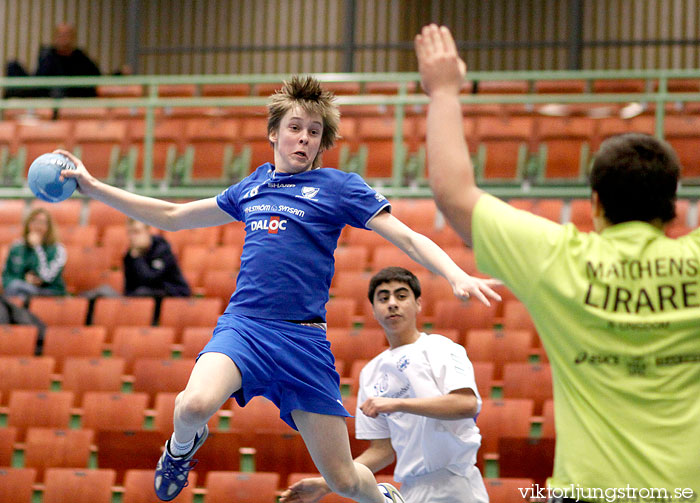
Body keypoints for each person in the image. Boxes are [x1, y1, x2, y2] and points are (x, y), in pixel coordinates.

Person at [57, 74, 500, 503]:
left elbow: (405, 236)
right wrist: (93, 187)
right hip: (245, 328)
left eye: (313, 131)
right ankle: (179, 450)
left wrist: (454, 272)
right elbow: (173, 216)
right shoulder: (253, 185)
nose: (304, 138)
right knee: (192, 405)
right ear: (273, 133)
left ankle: (383, 498)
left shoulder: (339, 187)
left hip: (303, 341)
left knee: (344, 479)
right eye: (295, 128)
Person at [415, 24, 700, 503]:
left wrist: (443, 92)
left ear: (595, 203)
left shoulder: (559, 258)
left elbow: (453, 194)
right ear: (674, 205)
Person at [281, 267, 488, 503]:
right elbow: (383, 451)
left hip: (456, 483)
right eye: (383, 298)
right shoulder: (370, 373)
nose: (392, 304)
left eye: (401, 296)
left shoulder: (442, 348)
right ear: (373, 310)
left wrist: (397, 403)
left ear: (418, 303)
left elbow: (466, 404)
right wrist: (326, 482)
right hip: (411, 489)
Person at [4, 23, 100, 99]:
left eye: (66, 35)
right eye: (60, 35)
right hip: (40, 90)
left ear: (73, 38)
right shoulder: (48, 54)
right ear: (55, 37)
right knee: (12, 66)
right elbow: (39, 77)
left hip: (66, 94)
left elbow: (95, 78)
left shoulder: (81, 58)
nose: (63, 38)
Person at [2, 208, 67, 299]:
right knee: (16, 289)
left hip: (48, 293)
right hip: (21, 289)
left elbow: (47, 277)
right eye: (34, 221)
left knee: (18, 291)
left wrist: (37, 248)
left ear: (49, 227)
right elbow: (6, 277)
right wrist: (25, 279)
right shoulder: (17, 247)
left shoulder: (58, 249)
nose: (37, 226)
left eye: (42, 223)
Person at [123, 218, 190, 298]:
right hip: (146, 295)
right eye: (129, 233)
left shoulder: (162, 249)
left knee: (142, 292)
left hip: (174, 293)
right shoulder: (130, 255)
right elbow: (129, 286)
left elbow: (151, 279)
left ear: (147, 231)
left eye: (136, 232)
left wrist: (137, 257)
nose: (132, 237)